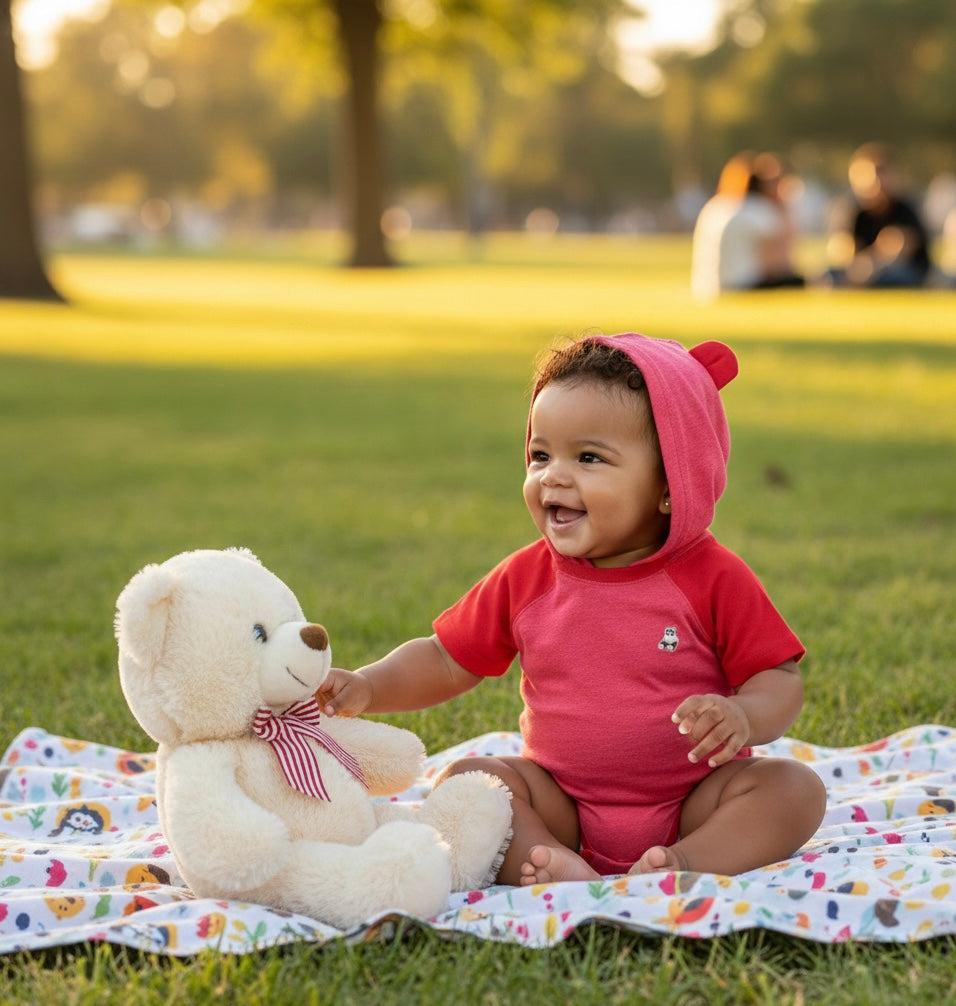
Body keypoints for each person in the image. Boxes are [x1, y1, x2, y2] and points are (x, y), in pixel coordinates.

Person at [319, 333, 827, 884]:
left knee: (794, 790)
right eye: (540, 455)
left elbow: (778, 676)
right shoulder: (527, 577)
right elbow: (446, 658)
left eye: (588, 457)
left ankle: (682, 864)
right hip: (562, 805)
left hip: (695, 803)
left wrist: (745, 715)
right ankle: (551, 860)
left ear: (669, 485)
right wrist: (370, 686)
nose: (552, 477)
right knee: (470, 781)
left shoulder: (712, 577)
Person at [691, 151, 805, 302]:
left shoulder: (715, 206)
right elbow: (776, 265)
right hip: (745, 284)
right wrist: (785, 211)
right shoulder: (761, 210)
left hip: (708, 288)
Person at [827, 143, 931, 288]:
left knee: (892, 277)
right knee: (828, 276)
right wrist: (862, 264)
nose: (874, 182)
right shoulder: (853, 210)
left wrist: (871, 263)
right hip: (860, 269)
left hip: (899, 270)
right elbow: (843, 250)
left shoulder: (904, 208)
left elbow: (901, 247)